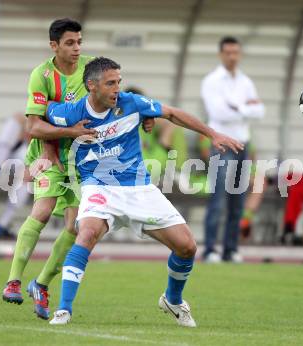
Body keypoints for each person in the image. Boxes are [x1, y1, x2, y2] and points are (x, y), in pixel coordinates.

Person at [45, 57, 244, 327]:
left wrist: (212, 134)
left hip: (139, 187)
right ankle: (64, 310)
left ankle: (172, 300)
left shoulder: (130, 103)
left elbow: (171, 113)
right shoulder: (70, 113)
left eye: (119, 82)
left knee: (187, 246)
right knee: (87, 233)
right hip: (99, 186)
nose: (117, 89)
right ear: (92, 86)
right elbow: (40, 119)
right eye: (110, 83)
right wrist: (59, 139)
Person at [1, 18, 155, 320]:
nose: (76, 48)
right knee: (42, 212)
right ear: (54, 46)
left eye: (79, 42)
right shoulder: (41, 75)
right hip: (49, 154)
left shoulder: (91, 70)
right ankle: (13, 281)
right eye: (70, 43)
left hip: (84, 161)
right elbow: (33, 125)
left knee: (75, 228)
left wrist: (145, 116)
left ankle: (41, 284)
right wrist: (70, 132)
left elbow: (117, 100)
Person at [201, 36, 265, 263]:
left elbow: (260, 111)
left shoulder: (245, 81)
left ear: (240, 54)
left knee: (238, 201)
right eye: (228, 52)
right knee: (217, 200)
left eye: (235, 52)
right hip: (222, 145)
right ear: (221, 54)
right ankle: (210, 249)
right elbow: (218, 113)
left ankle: (230, 249)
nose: (232, 56)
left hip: (243, 145)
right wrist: (246, 107)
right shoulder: (212, 80)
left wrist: (236, 106)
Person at [0, 113, 31, 238]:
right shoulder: (14, 135)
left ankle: (0, 225)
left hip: (11, 174)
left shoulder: (32, 147)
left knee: (23, 187)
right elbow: (16, 117)